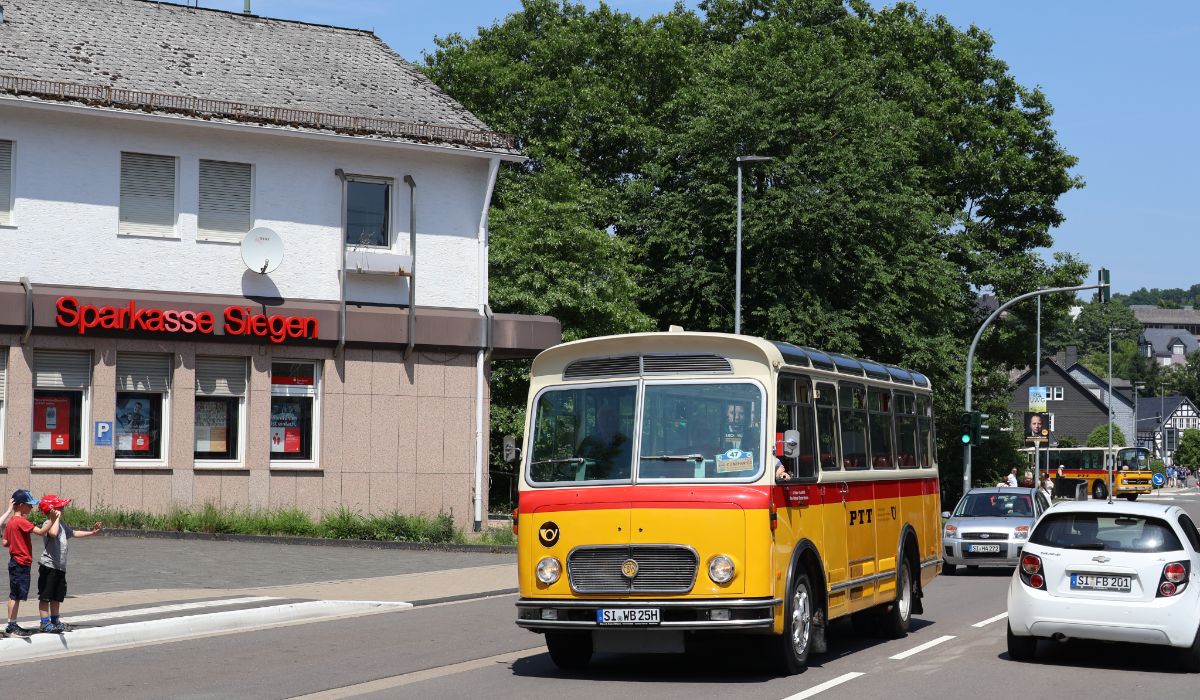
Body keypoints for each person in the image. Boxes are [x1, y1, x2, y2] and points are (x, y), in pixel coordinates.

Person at [35, 494, 102, 634]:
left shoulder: (62, 525)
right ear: (53, 510)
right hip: (48, 566)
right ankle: (44, 622)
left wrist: (92, 533)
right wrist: (56, 517)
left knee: (57, 596)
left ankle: (55, 620)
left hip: (59, 567)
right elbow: (53, 534)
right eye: (61, 507)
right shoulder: (48, 523)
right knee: (45, 596)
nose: (64, 509)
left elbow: (74, 533)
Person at [4, 489, 55, 638]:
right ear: (20, 505)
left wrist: (17, 540)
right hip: (21, 562)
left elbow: (5, 542)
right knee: (16, 596)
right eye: (29, 505)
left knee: (14, 594)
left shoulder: (11, 522)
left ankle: (11, 623)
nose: (31, 508)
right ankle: (11, 626)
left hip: (15, 561)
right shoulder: (21, 521)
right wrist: (51, 519)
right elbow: (40, 532)